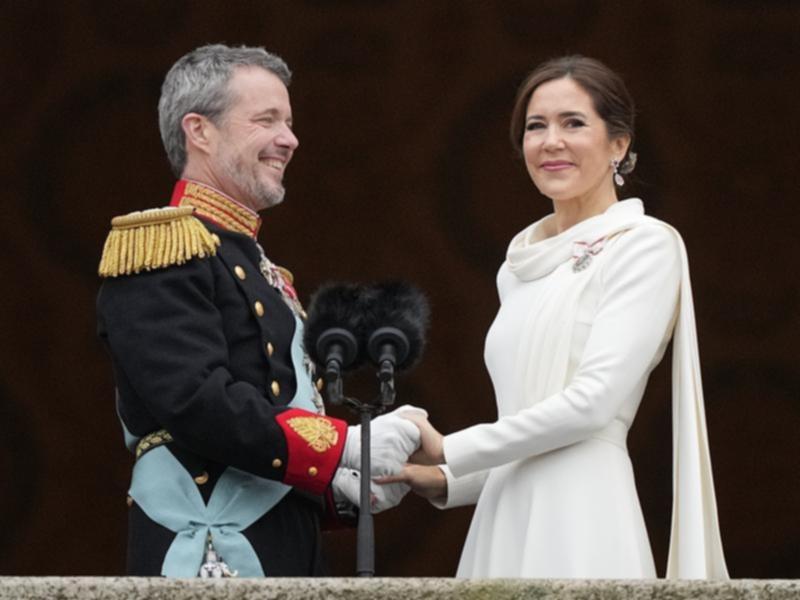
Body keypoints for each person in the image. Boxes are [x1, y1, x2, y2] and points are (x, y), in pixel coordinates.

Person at [382, 55, 728, 579]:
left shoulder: (644, 247)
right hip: (503, 512)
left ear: (620, 144)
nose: (551, 142)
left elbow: (592, 407)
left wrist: (451, 446)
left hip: (584, 514)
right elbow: (528, 424)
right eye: (535, 126)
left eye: (573, 123)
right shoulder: (520, 264)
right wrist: (450, 479)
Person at [96, 44, 419, 578]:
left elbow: (267, 437)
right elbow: (197, 403)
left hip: (284, 553)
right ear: (199, 130)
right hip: (208, 556)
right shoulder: (161, 247)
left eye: (289, 122)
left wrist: (339, 489)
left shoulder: (258, 266)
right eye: (266, 120)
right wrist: (343, 447)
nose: (289, 139)